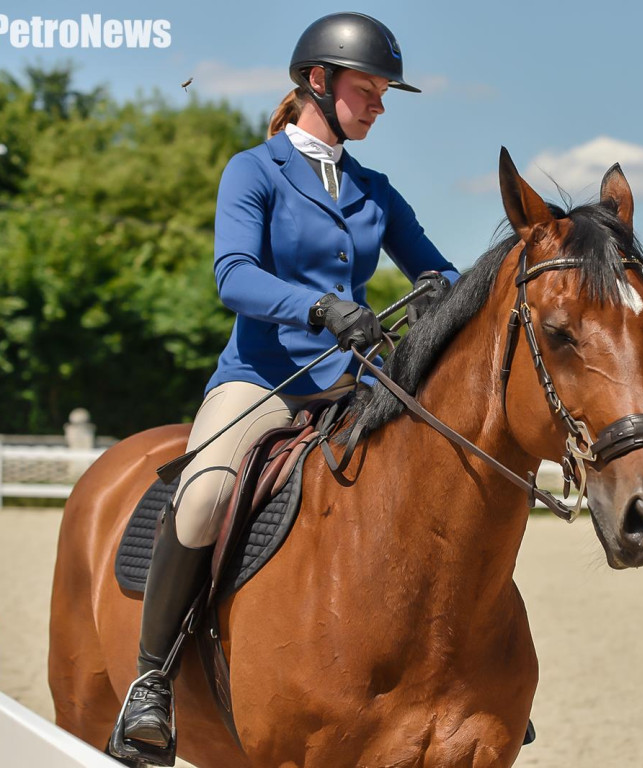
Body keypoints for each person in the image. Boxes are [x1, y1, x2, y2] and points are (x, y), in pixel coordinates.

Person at [112, 12, 459, 758]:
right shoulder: (254, 170)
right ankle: (152, 680)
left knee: (444, 482)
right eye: (367, 90)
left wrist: (447, 294)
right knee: (202, 494)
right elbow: (233, 275)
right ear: (317, 82)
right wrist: (321, 306)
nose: (379, 105)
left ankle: (462, 667)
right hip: (266, 377)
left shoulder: (374, 190)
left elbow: (438, 268)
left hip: (356, 382)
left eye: (381, 93)